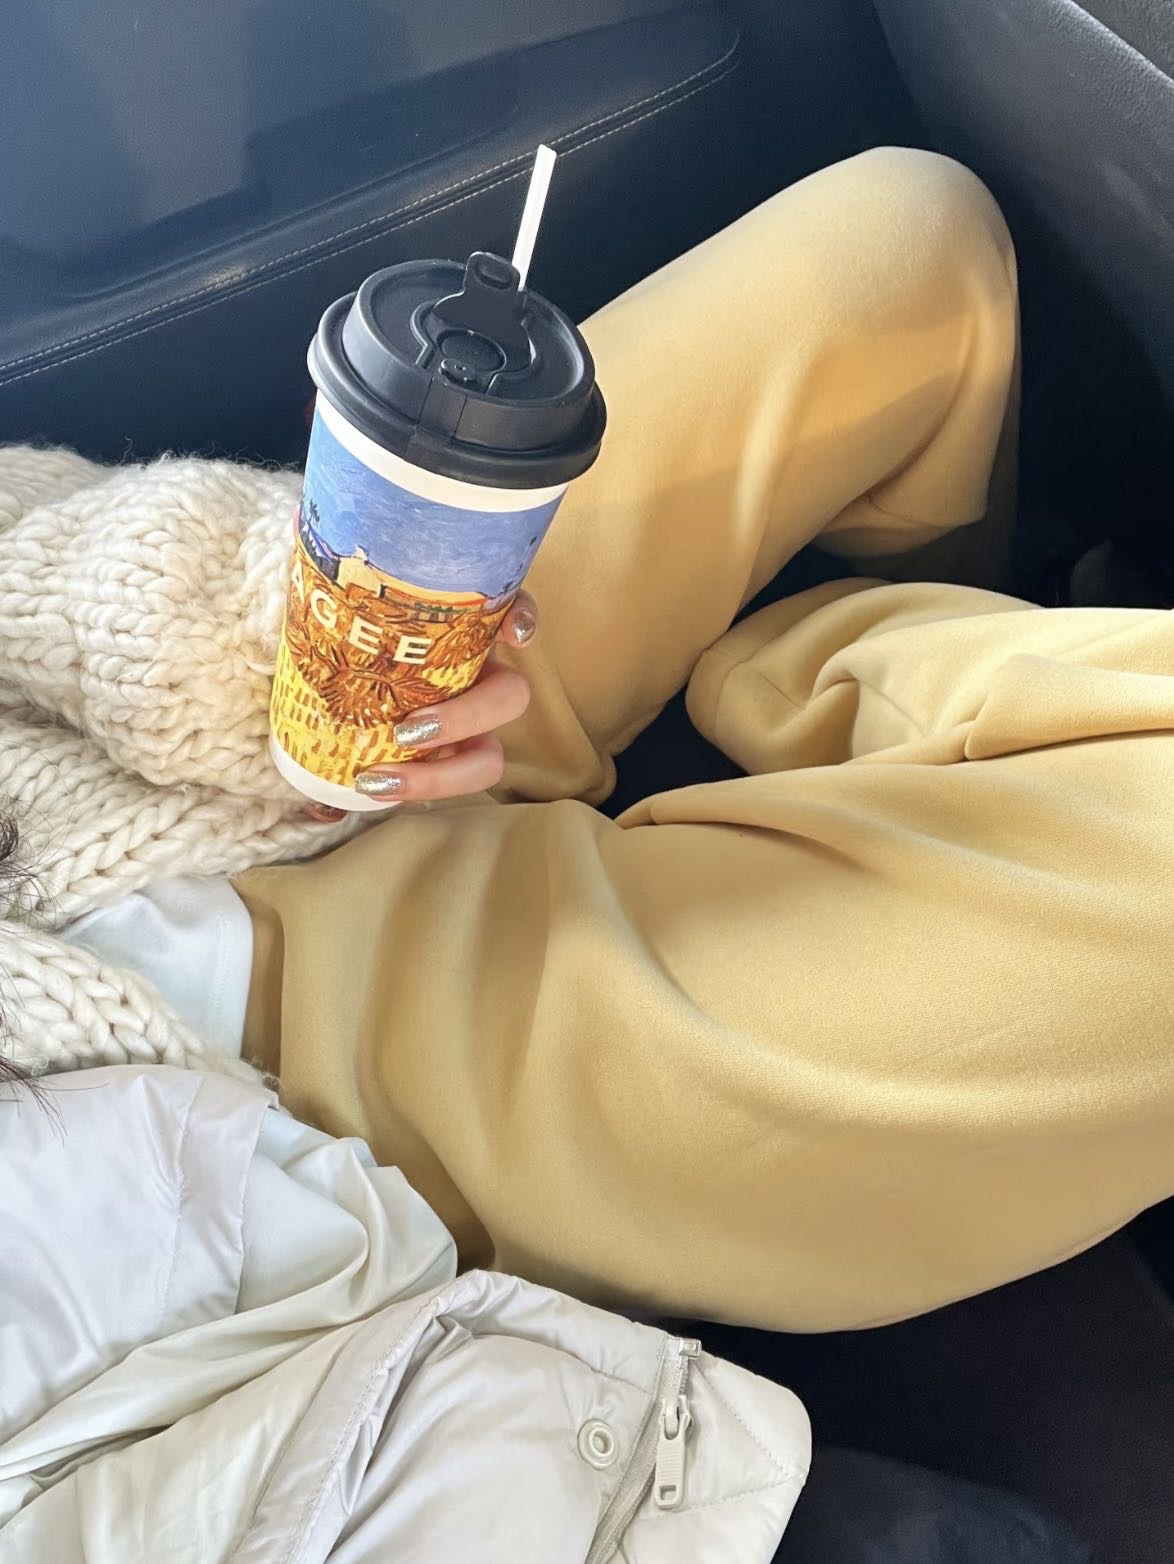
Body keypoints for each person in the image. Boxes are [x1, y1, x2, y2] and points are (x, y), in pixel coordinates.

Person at [3, 146, 1174, 1347]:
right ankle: (898, 691)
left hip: (216, 744)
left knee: (911, 248)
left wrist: (247, 622)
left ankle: (818, 672)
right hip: (223, 1073)